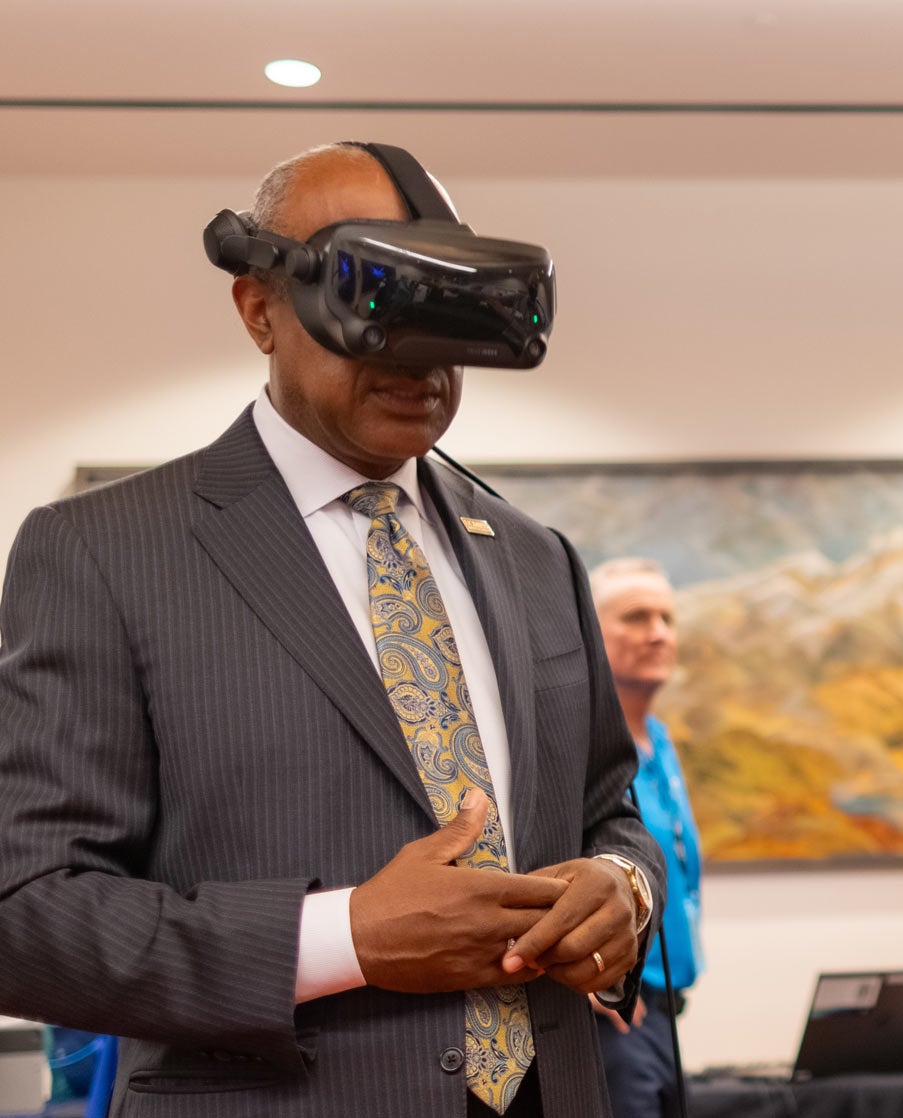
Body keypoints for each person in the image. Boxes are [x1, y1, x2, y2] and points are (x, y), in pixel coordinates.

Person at [0, 142, 664, 1118]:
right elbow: (25, 912)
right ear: (259, 309)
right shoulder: (103, 553)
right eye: (379, 303)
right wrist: (345, 937)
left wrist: (622, 885)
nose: (419, 359)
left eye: (448, 314)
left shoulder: (536, 557)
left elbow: (612, 811)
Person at [588, 558, 704, 1118]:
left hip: (664, 1006)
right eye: (635, 617)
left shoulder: (659, 739)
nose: (657, 633)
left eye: (666, 618)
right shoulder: (584, 747)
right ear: (589, 632)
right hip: (614, 1012)